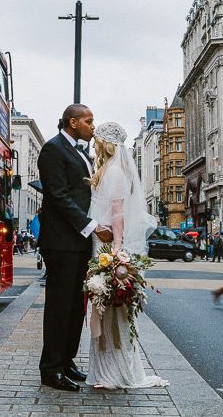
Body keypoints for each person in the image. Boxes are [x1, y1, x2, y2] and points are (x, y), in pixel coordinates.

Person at [85, 122, 168, 389]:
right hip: (102, 242)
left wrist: (117, 248)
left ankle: (115, 372)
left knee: (111, 310)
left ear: (106, 143)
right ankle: (105, 369)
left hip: (108, 245)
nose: (94, 144)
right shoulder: (108, 169)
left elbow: (118, 212)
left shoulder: (115, 172)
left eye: (97, 140)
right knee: (103, 308)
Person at [38, 104, 113, 392]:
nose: (93, 126)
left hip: (78, 242)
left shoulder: (80, 152)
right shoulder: (53, 149)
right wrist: (93, 226)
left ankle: (66, 361)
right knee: (59, 307)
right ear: (73, 122)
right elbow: (58, 196)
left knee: (74, 308)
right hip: (60, 242)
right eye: (88, 121)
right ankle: (51, 369)